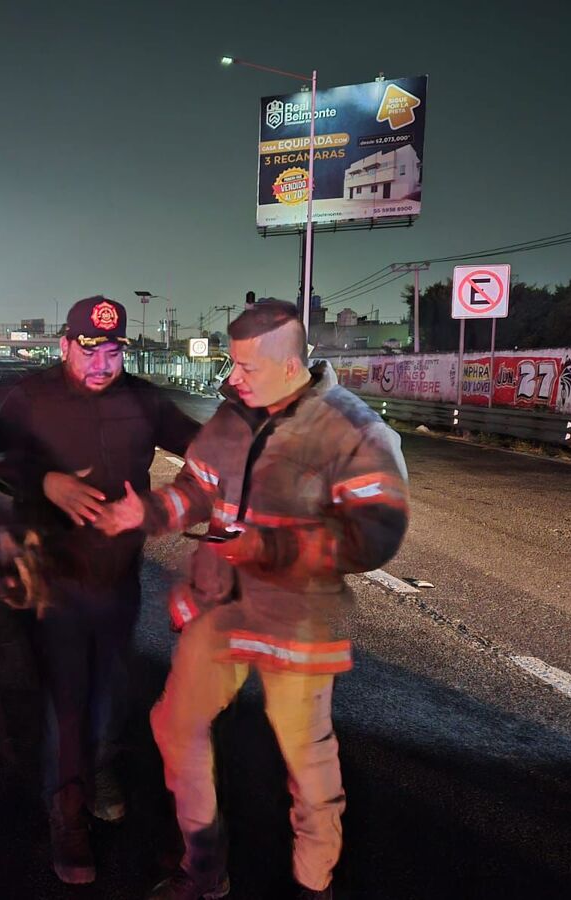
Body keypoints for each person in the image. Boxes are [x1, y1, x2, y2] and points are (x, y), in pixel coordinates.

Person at [98, 299, 409, 900]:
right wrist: (153, 511)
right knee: (173, 724)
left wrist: (267, 546)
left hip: (297, 620)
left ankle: (311, 884)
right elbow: (198, 489)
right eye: (231, 364)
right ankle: (203, 867)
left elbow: (375, 535)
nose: (231, 378)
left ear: (291, 365)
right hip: (220, 606)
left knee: (307, 763)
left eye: (245, 367)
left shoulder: (354, 431)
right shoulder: (232, 418)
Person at [0, 295, 200, 884]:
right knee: (69, 698)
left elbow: (206, 452)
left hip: (118, 576)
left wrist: (166, 503)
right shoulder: (32, 397)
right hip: (51, 575)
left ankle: (95, 770)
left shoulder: (143, 398)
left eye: (111, 351)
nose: (102, 363)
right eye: (89, 350)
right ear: (64, 345)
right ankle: (67, 811)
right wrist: (46, 480)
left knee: (108, 688)